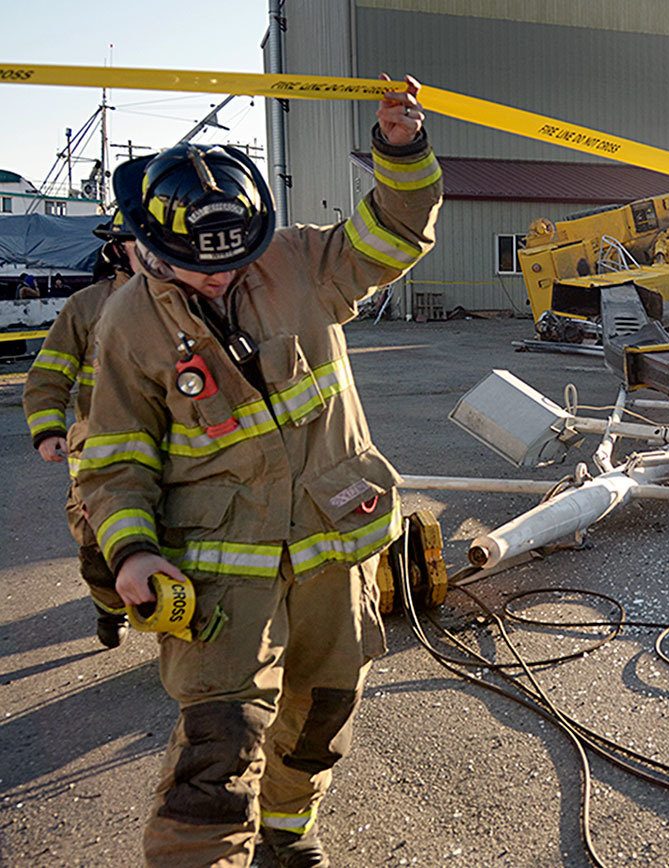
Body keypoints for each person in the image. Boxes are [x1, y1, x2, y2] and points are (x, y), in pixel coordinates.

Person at [76, 76, 441, 867]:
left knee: (321, 719)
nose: (219, 277)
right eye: (195, 267)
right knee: (217, 754)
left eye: (234, 261)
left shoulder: (298, 261)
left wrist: (402, 149)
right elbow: (112, 458)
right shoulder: (127, 323)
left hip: (330, 556)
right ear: (144, 243)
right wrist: (132, 551)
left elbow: (395, 235)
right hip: (217, 578)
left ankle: (288, 834)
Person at [22, 212, 141, 648]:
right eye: (138, 242)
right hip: (100, 453)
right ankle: (109, 607)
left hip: (174, 451)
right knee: (99, 551)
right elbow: (49, 374)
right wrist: (47, 428)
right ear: (117, 249)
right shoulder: (88, 306)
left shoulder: (187, 300)